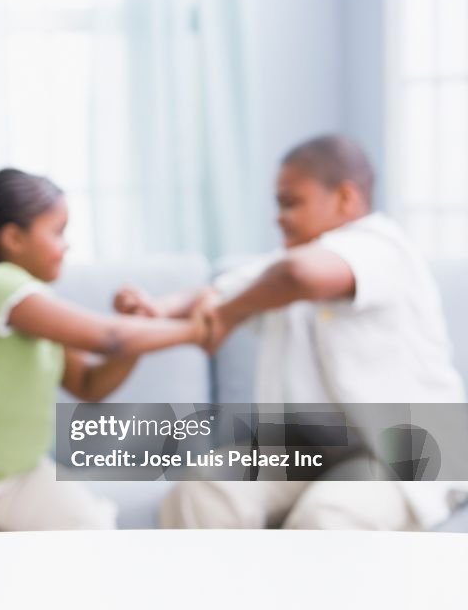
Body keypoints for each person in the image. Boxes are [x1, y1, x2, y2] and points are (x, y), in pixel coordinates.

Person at [116, 135, 467, 531]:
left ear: (345, 199)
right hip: (307, 448)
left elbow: (296, 278)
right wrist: (160, 308)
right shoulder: (281, 269)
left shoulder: (381, 247)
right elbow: (217, 292)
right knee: (205, 490)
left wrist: (227, 314)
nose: (278, 217)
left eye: (290, 202)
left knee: (328, 517)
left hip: (400, 451)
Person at [0, 168, 208, 534]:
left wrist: (136, 333)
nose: (66, 245)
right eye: (57, 232)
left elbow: (90, 385)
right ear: (13, 237)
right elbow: (109, 338)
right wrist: (195, 330)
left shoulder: (39, 306)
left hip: (19, 476)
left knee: (93, 531)